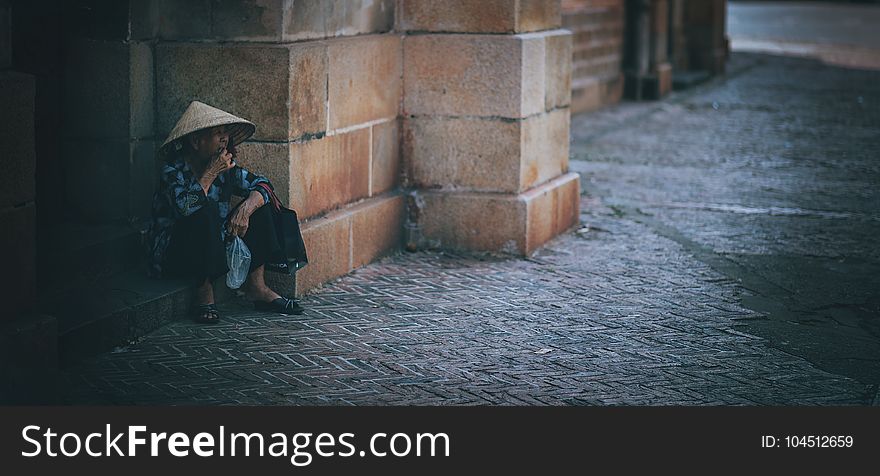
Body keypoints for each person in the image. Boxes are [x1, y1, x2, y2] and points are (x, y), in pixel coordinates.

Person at [147, 101, 303, 323]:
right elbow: (186, 207)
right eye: (217, 133)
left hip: (213, 245)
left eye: (225, 133)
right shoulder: (173, 170)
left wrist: (246, 209)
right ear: (195, 141)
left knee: (260, 205)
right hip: (174, 252)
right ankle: (204, 291)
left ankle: (257, 288)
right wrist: (210, 174)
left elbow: (263, 185)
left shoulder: (225, 167)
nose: (224, 139)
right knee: (204, 209)